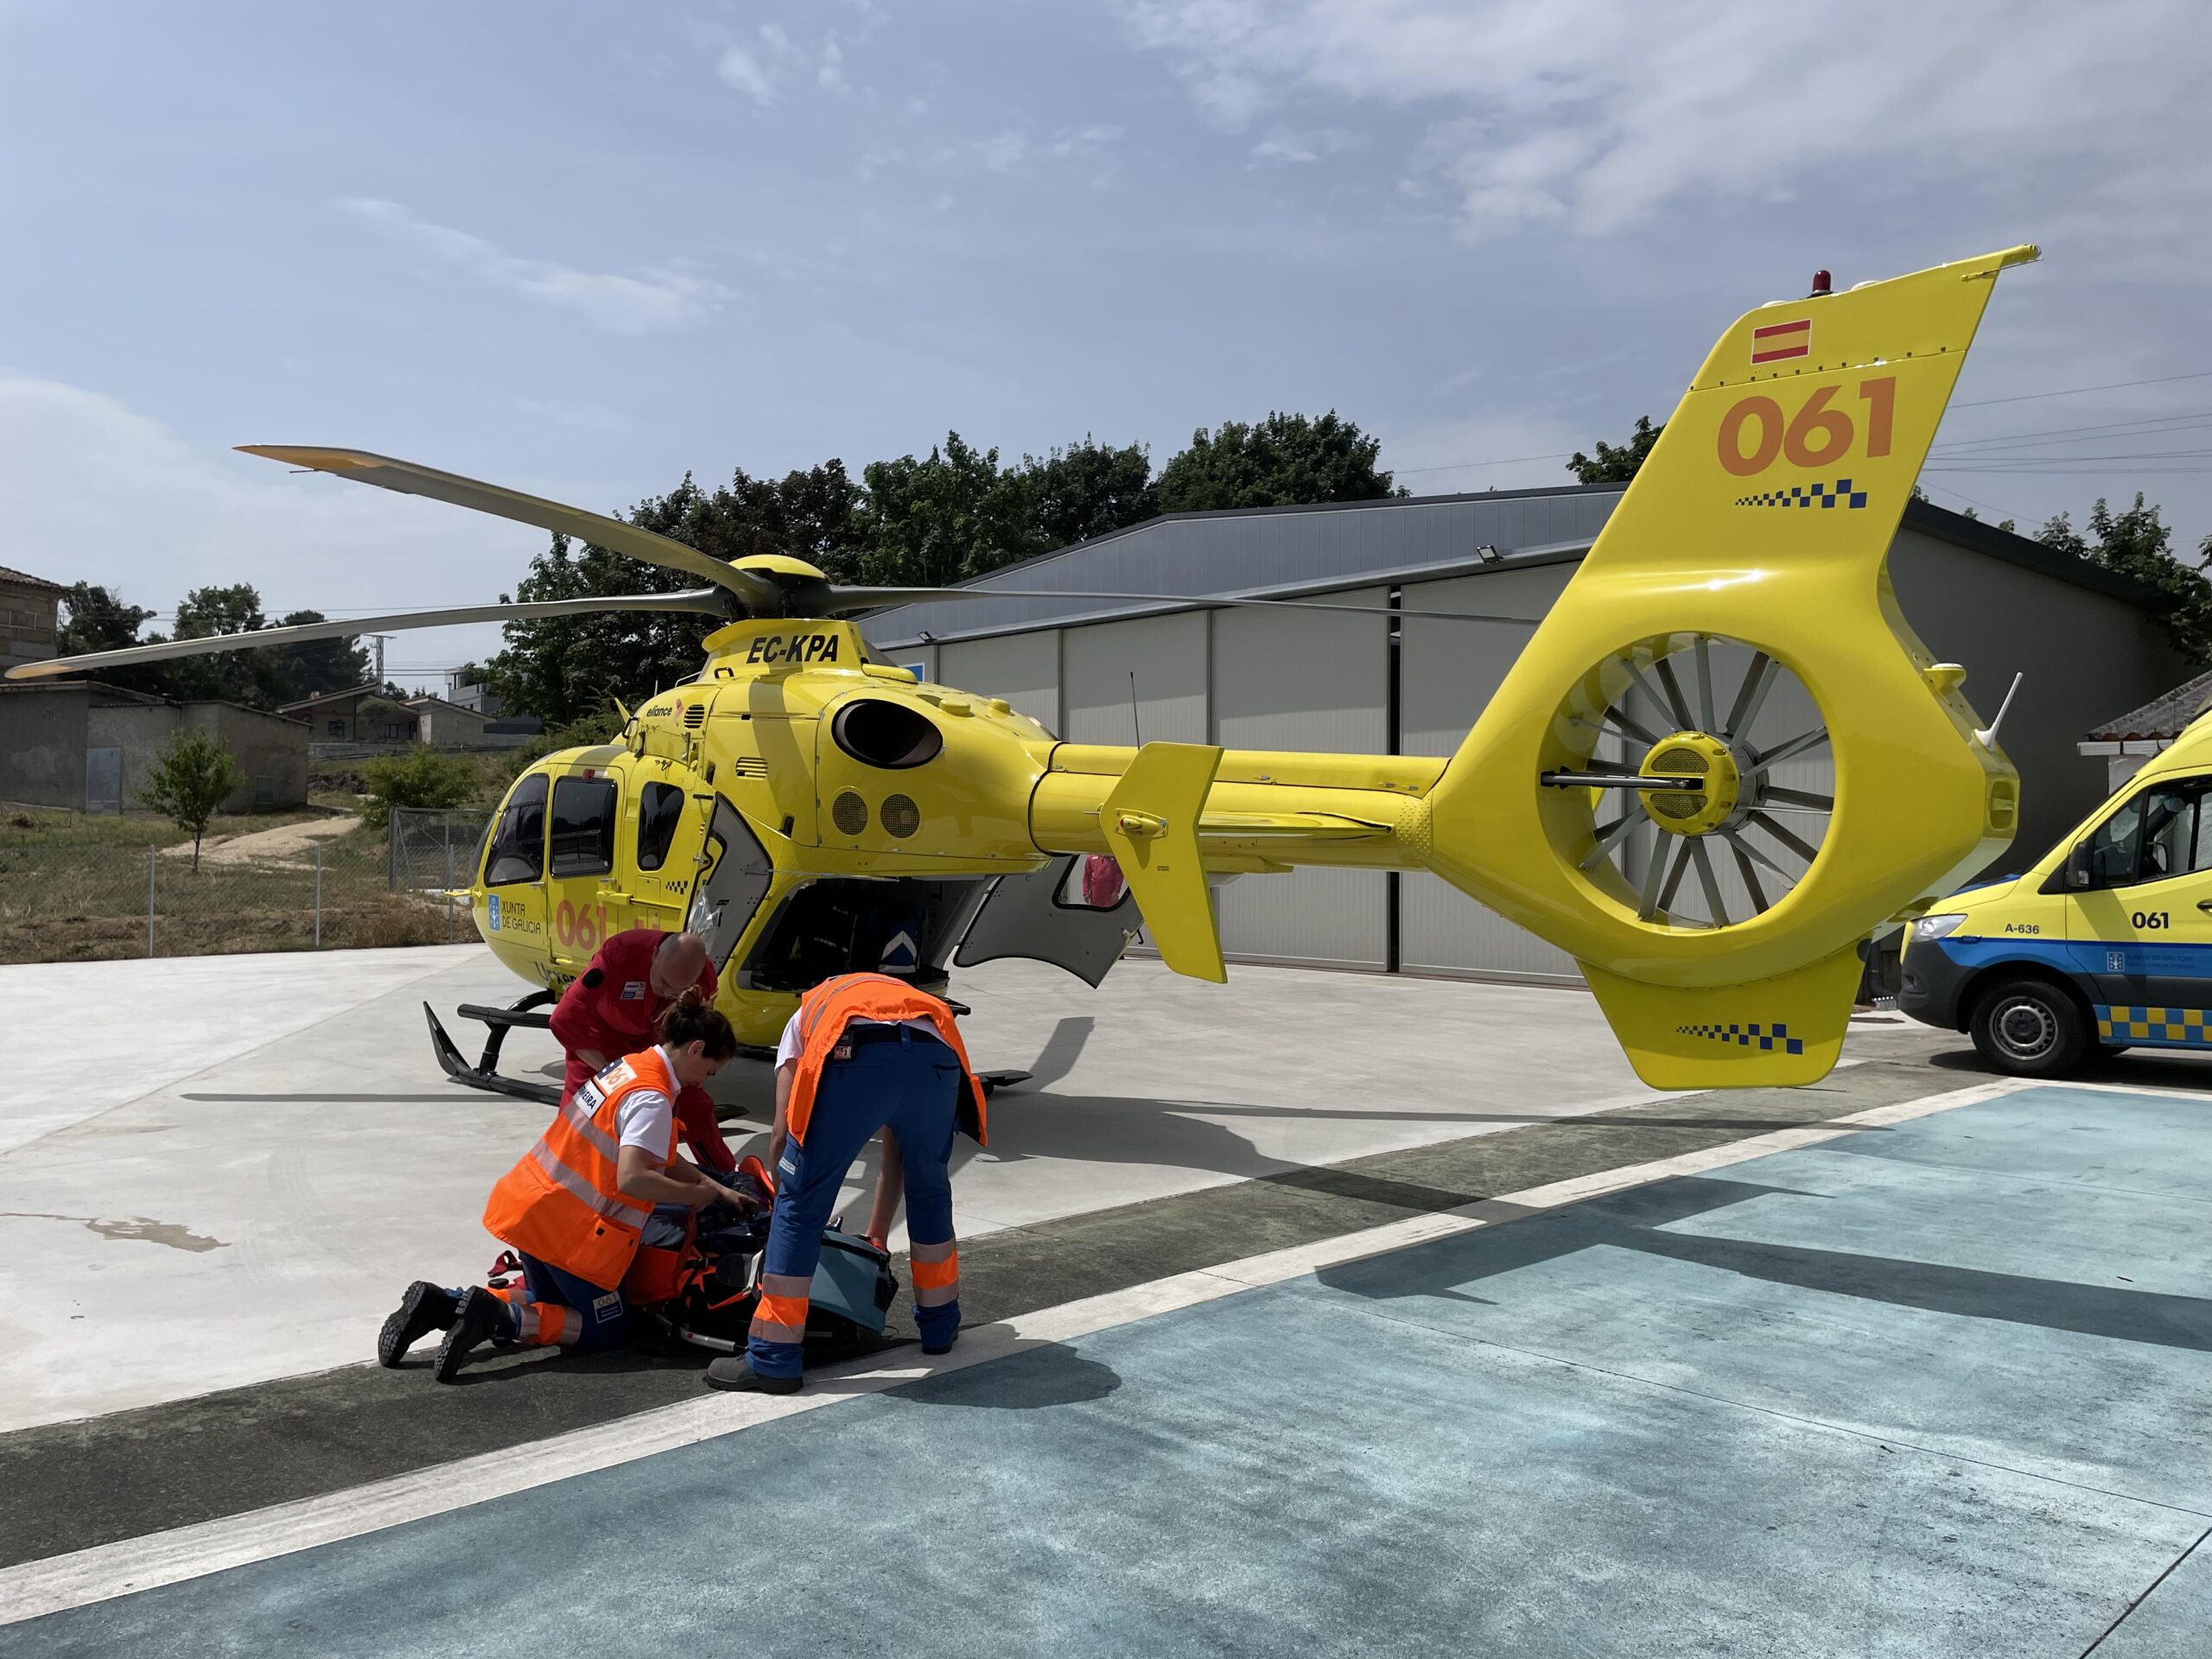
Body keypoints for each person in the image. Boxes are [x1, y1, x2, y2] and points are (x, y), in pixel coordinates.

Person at [378, 989, 740, 1382]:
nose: (704, 1082)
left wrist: (711, 1183)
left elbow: (657, 1153)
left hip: (535, 1209)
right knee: (606, 1327)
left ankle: (441, 1303)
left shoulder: (630, 1069)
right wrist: (695, 1197)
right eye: (710, 1071)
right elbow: (634, 1178)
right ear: (695, 1049)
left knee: (551, 1305)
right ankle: (501, 1317)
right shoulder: (651, 1099)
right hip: (573, 1236)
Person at [705, 971, 987, 1395]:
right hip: (936, 1056)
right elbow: (896, 1153)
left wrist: (783, 1196)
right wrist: (876, 1234)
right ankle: (940, 1326)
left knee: (801, 1206)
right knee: (930, 1191)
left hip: (855, 1056)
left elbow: (783, 1131)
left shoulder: (807, 1011)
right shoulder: (903, 998)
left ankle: (773, 1358)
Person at [549, 927, 734, 1173]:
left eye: (678, 990)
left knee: (695, 1107)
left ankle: (729, 1178)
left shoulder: (703, 976)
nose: (669, 993)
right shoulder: (619, 956)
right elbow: (564, 1019)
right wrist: (616, 1076)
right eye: (664, 983)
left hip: (653, 1045)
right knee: (582, 1117)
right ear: (655, 955)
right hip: (602, 1044)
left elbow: (700, 1032)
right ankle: (562, 1174)